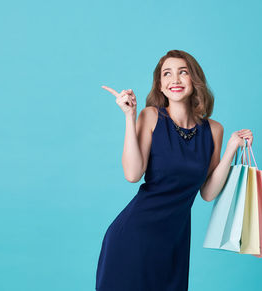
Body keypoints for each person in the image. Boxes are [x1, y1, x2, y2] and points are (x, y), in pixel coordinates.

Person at [95, 50, 253, 290]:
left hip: (174, 245)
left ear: (194, 80)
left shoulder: (214, 130)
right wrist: (130, 116)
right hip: (134, 238)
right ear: (160, 85)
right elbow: (133, 175)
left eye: (183, 72)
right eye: (167, 74)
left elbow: (208, 193)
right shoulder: (150, 117)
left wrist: (231, 148)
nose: (175, 80)